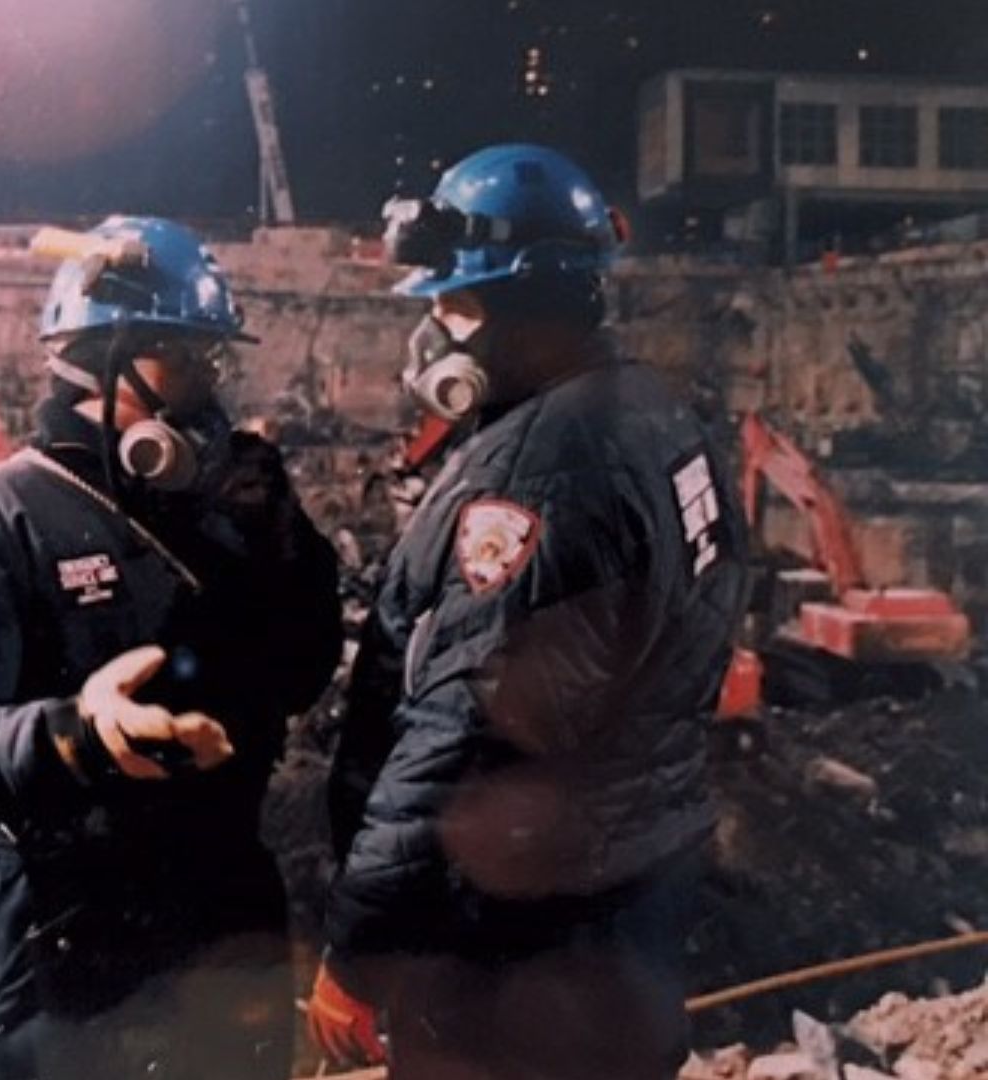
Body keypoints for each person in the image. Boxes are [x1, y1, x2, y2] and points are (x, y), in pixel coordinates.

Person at [0, 216, 343, 1080]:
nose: (208, 390)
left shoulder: (218, 513)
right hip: (60, 948)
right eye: (187, 361)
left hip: (215, 925)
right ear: (105, 357)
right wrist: (73, 733)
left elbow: (298, 678)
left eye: (215, 363)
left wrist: (289, 553)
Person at [311, 144, 750, 1079]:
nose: (431, 335)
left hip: (515, 939)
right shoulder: (662, 420)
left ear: (518, 312)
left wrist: (359, 946)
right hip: (634, 887)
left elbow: (464, 737)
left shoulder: (538, 473)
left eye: (451, 307)